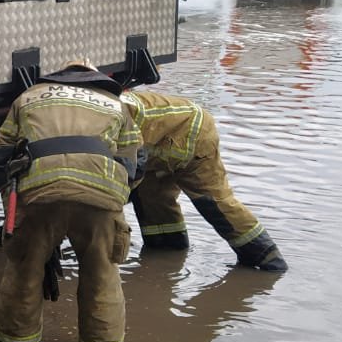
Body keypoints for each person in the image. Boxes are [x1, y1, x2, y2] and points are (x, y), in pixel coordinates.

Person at [0, 61, 139, 342]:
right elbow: (135, 164)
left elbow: (1, 157)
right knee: (102, 273)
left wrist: (14, 207)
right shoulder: (116, 104)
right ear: (96, 79)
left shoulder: (28, 97)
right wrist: (113, 204)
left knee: (24, 269)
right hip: (100, 196)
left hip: (38, 191)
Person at [121, 91, 288, 272]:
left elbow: (132, 163)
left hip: (192, 132)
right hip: (157, 144)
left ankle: (269, 259)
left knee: (215, 203)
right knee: (153, 202)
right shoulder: (101, 107)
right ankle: (167, 258)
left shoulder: (106, 113)